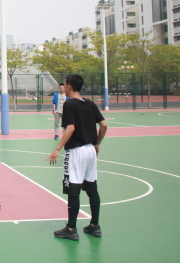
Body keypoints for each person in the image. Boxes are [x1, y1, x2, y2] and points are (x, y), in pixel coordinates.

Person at [46, 74, 108, 241]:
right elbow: (104, 125)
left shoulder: (69, 104)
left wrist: (57, 148)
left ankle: (71, 229)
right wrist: (97, 143)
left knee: (73, 190)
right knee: (92, 189)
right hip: (90, 150)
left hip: (76, 152)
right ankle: (94, 225)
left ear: (69, 86)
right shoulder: (89, 103)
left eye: (65, 84)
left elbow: (71, 128)